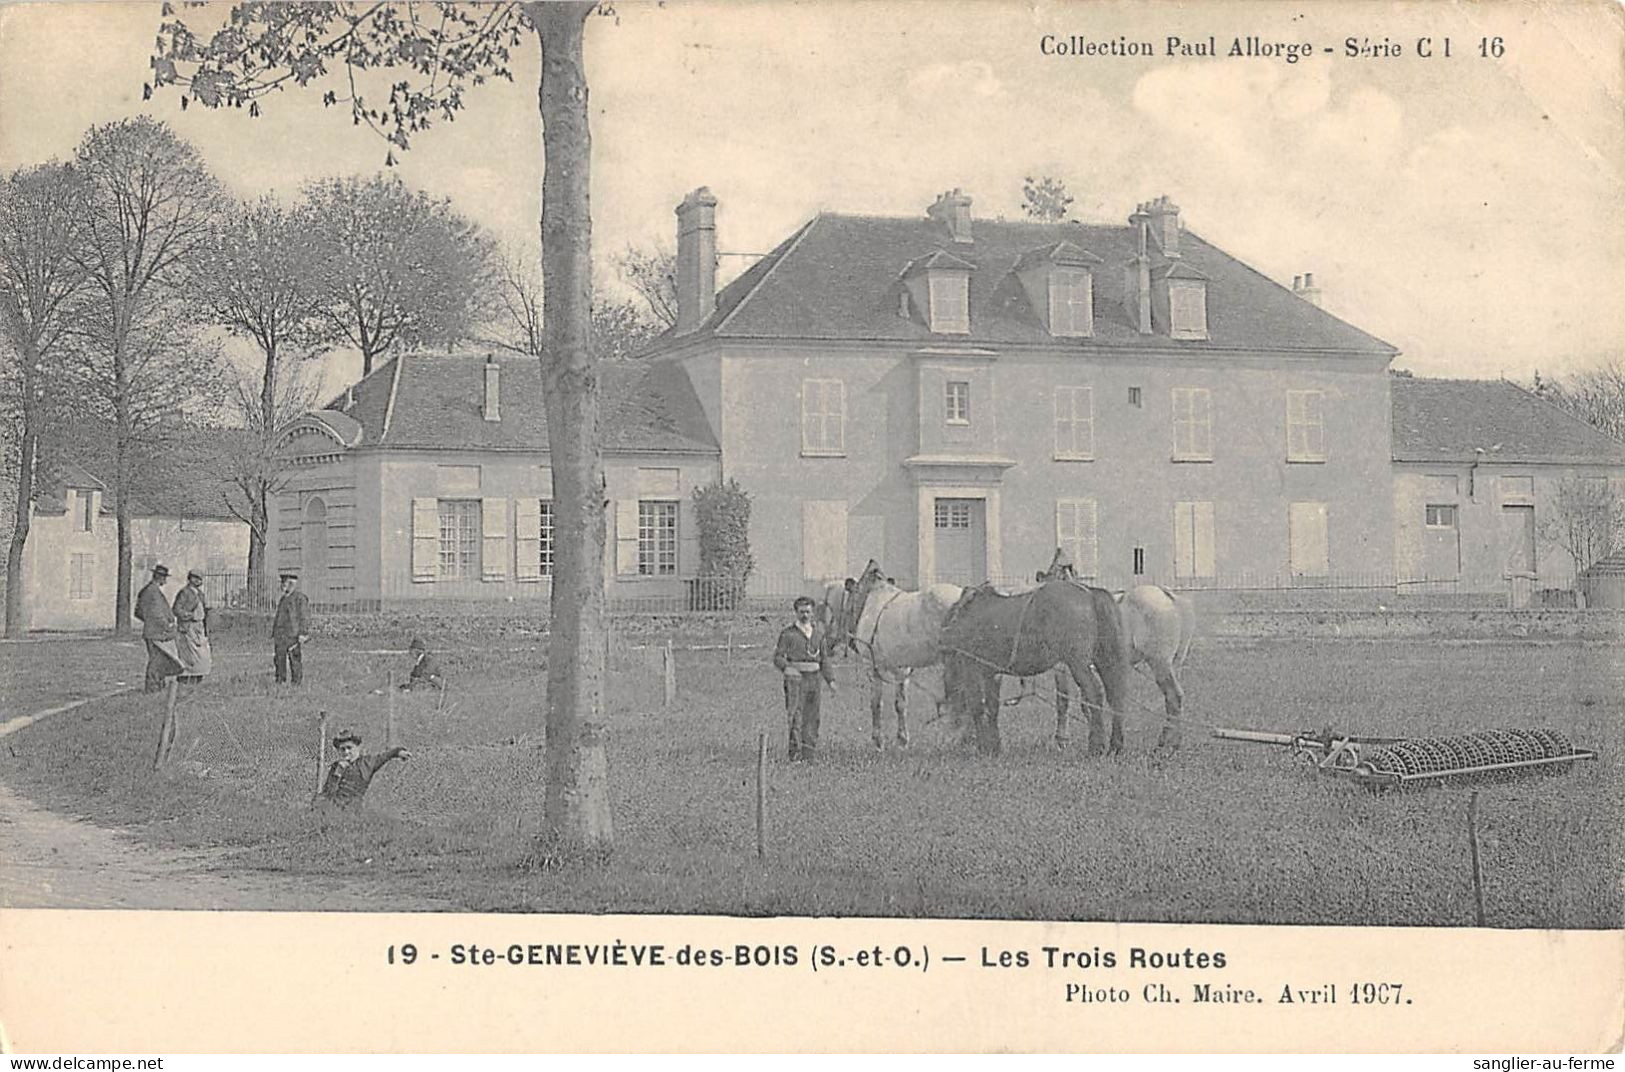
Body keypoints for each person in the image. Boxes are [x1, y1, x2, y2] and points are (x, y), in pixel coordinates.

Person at [771, 595, 837, 761]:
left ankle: (809, 754)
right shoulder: (788, 634)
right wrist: (788, 668)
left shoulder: (818, 634)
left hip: (814, 679)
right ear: (796, 613)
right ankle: (795, 755)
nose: (805, 615)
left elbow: (825, 660)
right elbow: (778, 657)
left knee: (813, 717)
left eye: (808, 612)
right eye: (801, 612)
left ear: (813, 613)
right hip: (796, 681)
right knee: (796, 716)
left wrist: (831, 680)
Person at [318, 729, 410, 808]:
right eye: (343, 749)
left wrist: (399, 752)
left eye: (349, 748)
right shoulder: (336, 766)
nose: (346, 752)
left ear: (358, 747)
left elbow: (385, 756)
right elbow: (328, 792)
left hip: (353, 810)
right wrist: (337, 774)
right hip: (334, 810)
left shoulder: (367, 763)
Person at [134, 564, 182, 693]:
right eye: (164, 577)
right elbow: (156, 614)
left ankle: (158, 687)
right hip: (156, 633)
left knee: (160, 660)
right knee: (156, 661)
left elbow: (139, 612)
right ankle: (152, 688)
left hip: (155, 631)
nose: (165, 580)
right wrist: (166, 625)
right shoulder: (152, 592)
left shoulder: (149, 590)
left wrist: (150, 621)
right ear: (159, 577)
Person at [171, 569, 212, 683]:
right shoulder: (184, 593)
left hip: (199, 628)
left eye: (199, 578)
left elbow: (203, 610)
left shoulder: (200, 594)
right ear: (190, 579)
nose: (198, 580)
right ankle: (186, 679)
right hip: (188, 627)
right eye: (195, 578)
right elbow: (176, 609)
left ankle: (198, 677)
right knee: (189, 655)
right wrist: (190, 615)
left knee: (202, 654)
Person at [272, 571, 310, 685]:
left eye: (285, 582)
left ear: (292, 584)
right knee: (279, 659)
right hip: (280, 635)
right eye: (283, 583)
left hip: (293, 635)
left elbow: (304, 617)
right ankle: (280, 680)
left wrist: (303, 633)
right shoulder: (283, 599)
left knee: (294, 659)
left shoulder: (300, 598)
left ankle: (296, 682)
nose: (282, 585)